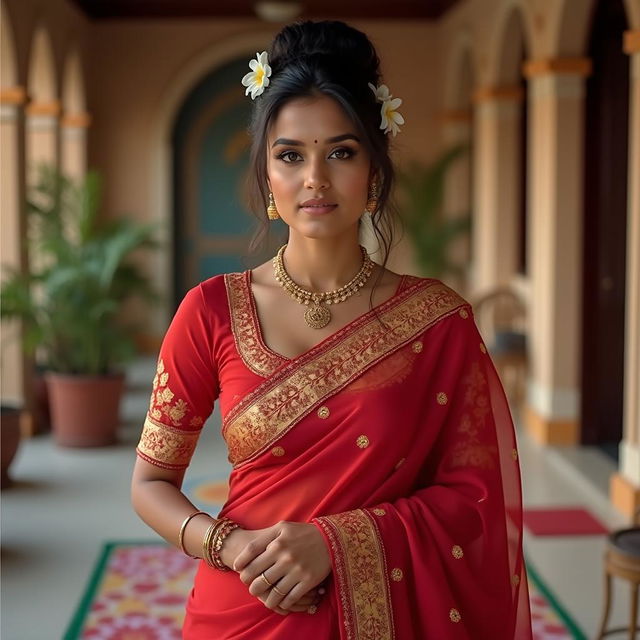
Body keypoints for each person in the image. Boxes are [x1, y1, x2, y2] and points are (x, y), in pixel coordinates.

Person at [131, 19, 533, 639]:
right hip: (242, 606)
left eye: (340, 152)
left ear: (373, 171)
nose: (314, 178)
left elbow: (474, 501)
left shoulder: (436, 322)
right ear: (267, 174)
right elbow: (151, 482)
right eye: (290, 155)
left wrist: (334, 543)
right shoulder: (210, 310)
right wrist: (228, 546)